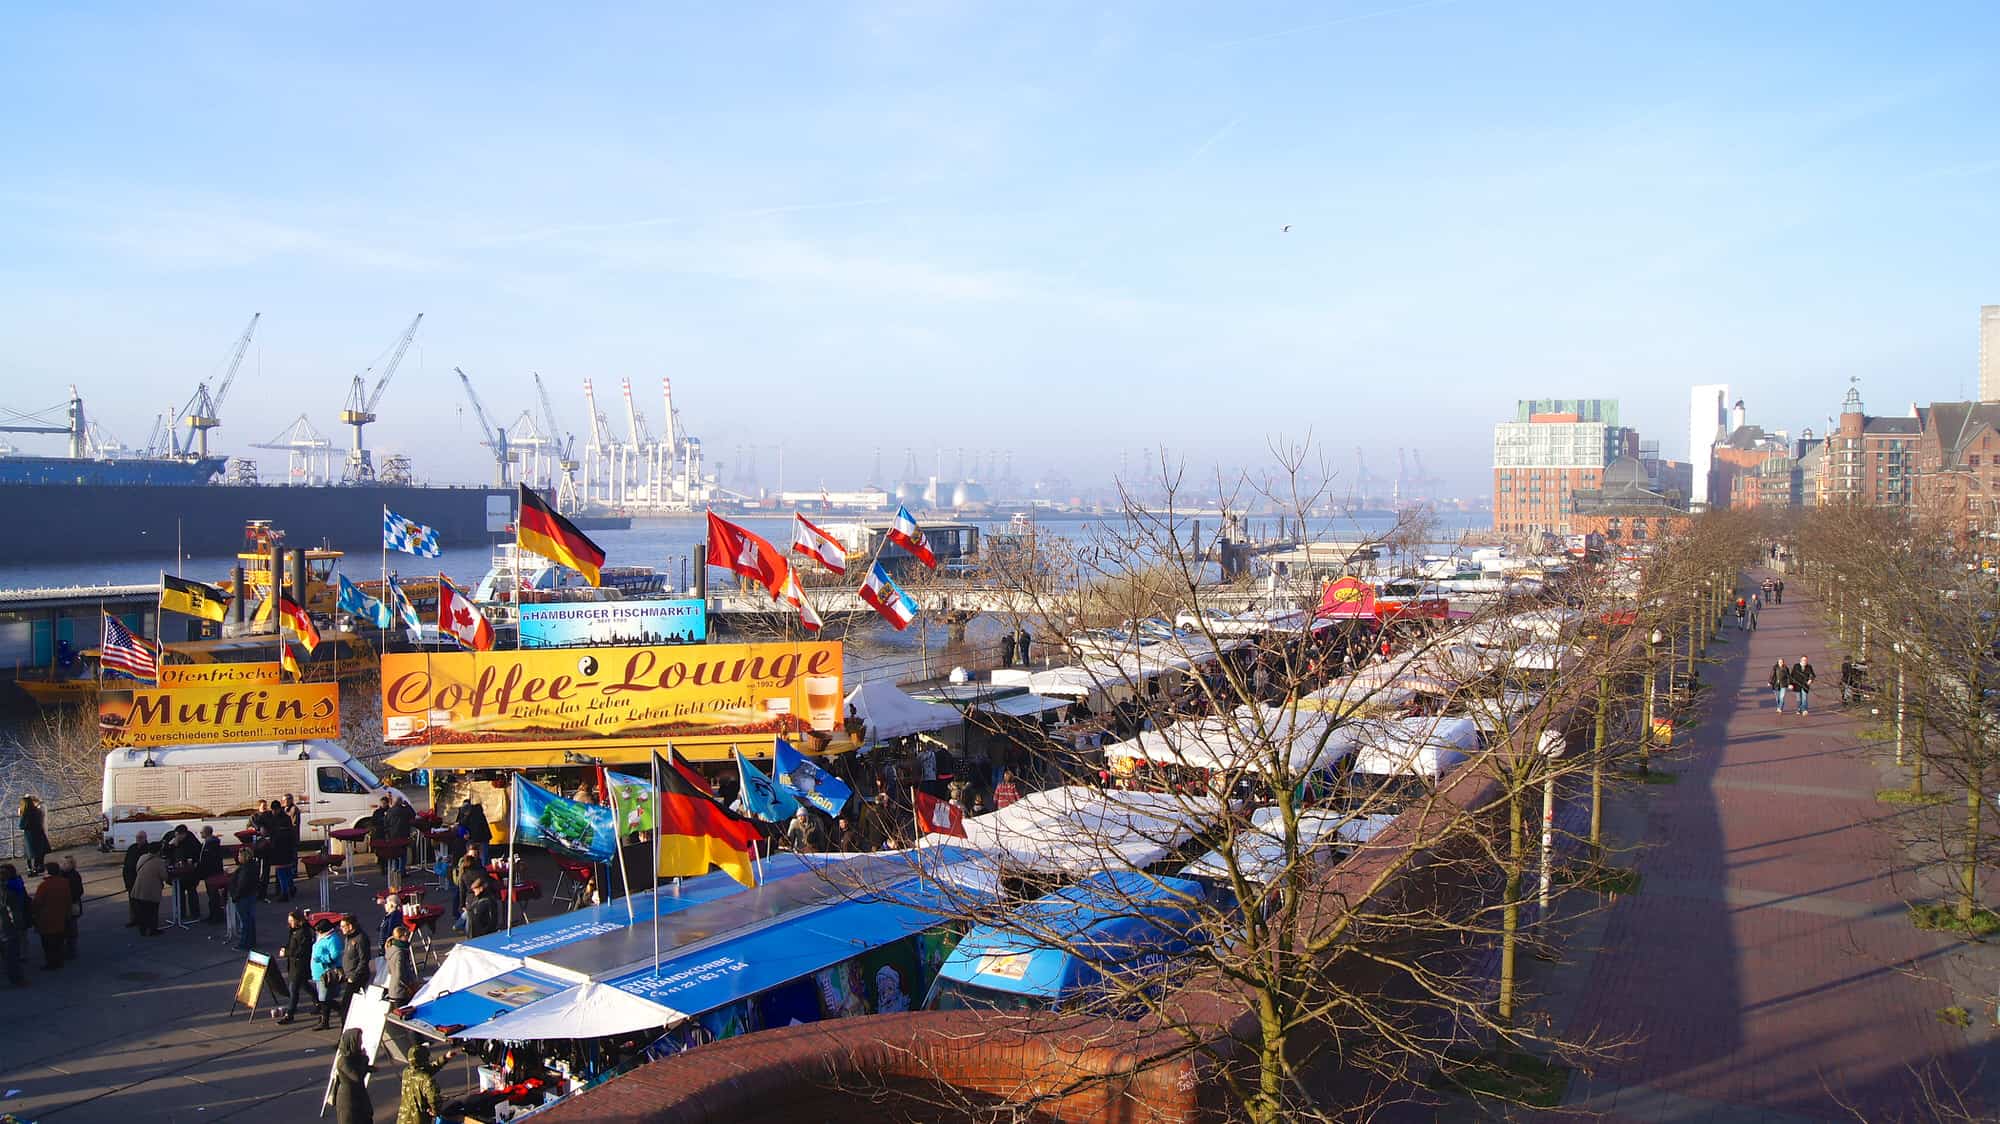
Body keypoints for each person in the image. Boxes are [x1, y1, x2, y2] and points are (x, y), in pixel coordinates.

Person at [397, 1041, 453, 1124]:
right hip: (419, 1120)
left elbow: (428, 1069)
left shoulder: (406, 1072)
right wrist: (435, 1111)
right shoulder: (426, 1079)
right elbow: (433, 1099)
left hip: (403, 1119)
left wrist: (445, 1058)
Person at [277, 909, 316, 1024]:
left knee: (293, 989)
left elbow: (302, 950)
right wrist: (286, 948)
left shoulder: (304, 933)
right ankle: (319, 1001)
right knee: (304, 984)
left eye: (291, 920)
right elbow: (291, 944)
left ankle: (290, 1013)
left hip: (300, 964)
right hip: (294, 964)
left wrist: (286, 953)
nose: (289, 923)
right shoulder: (294, 931)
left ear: (298, 920)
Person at [331, 1027, 374, 1124]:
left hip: (359, 1096)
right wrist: (364, 1058)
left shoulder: (354, 1055)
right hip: (349, 1100)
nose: (361, 1043)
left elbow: (360, 1069)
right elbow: (356, 1076)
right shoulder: (343, 1061)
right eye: (359, 1040)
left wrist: (370, 1068)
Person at [32, 865, 70, 970]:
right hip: (61, 917)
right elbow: (68, 899)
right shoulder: (64, 882)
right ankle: (59, 961)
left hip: (46, 919)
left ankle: (52, 963)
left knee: (48, 944)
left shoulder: (43, 886)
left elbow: (37, 903)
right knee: (59, 941)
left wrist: (33, 914)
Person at [309, 918, 345, 1029]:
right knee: (324, 998)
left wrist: (321, 959)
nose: (317, 932)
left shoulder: (332, 939)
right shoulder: (322, 937)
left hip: (326, 973)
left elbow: (335, 955)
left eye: (318, 930)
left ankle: (326, 1021)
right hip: (319, 972)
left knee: (324, 998)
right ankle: (337, 1011)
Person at [1, 862, 29, 987]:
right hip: (6, 928)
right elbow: (13, 912)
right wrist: (18, 926)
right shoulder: (8, 893)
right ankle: (17, 980)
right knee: (12, 955)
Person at [337, 914, 373, 1010]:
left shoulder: (360, 939)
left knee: (347, 1004)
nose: (341, 929)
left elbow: (364, 959)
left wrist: (354, 976)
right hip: (349, 974)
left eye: (343, 926)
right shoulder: (349, 937)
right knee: (348, 1004)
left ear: (350, 926)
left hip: (357, 977)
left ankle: (346, 1023)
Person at [230, 847, 262, 951]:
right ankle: (251, 941)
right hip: (250, 895)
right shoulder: (253, 866)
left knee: (245, 921)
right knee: (250, 920)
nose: (238, 857)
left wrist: (235, 896)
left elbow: (242, 885)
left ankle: (244, 943)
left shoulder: (245, 869)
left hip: (243, 897)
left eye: (239, 855)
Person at [130, 845, 165, 936]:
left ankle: (142, 929)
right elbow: (164, 876)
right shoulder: (159, 862)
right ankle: (153, 930)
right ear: (158, 852)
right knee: (153, 910)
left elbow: (137, 868)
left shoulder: (142, 857)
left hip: (139, 887)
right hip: (152, 889)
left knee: (142, 910)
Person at [381, 922, 418, 1006]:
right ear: (401, 937)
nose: (408, 938)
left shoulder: (392, 950)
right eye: (406, 936)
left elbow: (391, 971)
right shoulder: (399, 953)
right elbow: (399, 975)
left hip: (394, 991)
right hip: (401, 992)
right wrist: (409, 987)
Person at [121, 830, 152, 927]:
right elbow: (126, 865)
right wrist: (126, 880)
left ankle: (145, 920)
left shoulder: (148, 849)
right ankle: (134, 919)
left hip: (143, 880)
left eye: (141, 838)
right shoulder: (132, 848)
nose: (138, 839)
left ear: (145, 838)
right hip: (131, 879)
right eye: (137, 838)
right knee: (133, 901)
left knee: (144, 902)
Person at [196, 827, 227, 925]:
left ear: (206, 833)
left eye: (201, 832)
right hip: (210, 873)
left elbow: (209, 860)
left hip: (212, 873)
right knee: (211, 895)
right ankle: (213, 914)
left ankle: (216, 916)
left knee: (213, 895)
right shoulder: (209, 842)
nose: (200, 833)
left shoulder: (210, 844)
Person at [454, 796, 493, 866]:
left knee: (482, 859)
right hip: (475, 839)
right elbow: (460, 824)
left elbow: (477, 828)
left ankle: (482, 872)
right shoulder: (464, 812)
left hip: (481, 838)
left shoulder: (476, 814)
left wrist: (468, 835)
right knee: (476, 859)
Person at [17, 796, 50, 876]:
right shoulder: (38, 811)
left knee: (29, 853)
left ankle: (30, 869)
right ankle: (36, 867)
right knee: (37, 852)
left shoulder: (25, 814)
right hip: (39, 833)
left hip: (29, 835)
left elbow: (21, 826)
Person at [58, 856, 82, 959]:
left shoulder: (71, 876)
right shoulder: (73, 874)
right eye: (62, 863)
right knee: (70, 928)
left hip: (70, 905)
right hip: (71, 904)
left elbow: (78, 891)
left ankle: (70, 951)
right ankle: (70, 950)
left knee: (70, 928)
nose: (62, 865)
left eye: (65, 863)